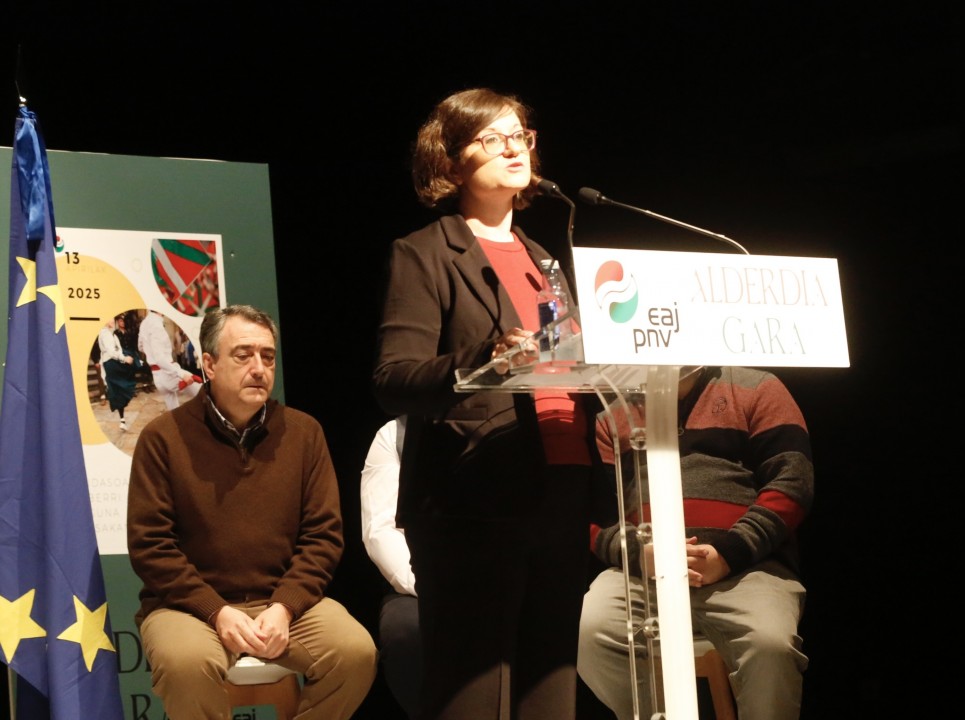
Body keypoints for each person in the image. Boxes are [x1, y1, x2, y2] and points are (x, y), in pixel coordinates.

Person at [372, 87, 606, 720]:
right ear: (450, 163)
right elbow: (394, 377)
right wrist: (486, 358)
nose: (513, 148)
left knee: (549, 697)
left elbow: (568, 362)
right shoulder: (424, 253)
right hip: (474, 499)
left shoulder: (543, 260)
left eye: (520, 135)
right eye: (492, 137)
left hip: (562, 487)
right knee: (472, 699)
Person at [127, 304, 377, 720]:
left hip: (282, 605)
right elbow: (151, 546)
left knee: (355, 652)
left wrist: (285, 606)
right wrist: (215, 610)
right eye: (243, 355)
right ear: (209, 365)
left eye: (267, 356)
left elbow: (323, 537)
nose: (259, 368)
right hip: (189, 609)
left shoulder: (304, 433)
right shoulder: (163, 438)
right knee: (187, 666)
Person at [577, 366, 813, 720]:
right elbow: (595, 513)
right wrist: (639, 555)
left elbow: (793, 482)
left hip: (748, 569)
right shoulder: (613, 408)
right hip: (644, 576)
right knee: (592, 631)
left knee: (769, 645)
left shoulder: (757, 387)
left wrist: (730, 553)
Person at [359, 415, 421, 720]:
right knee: (406, 630)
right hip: (419, 581)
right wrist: (429, 585)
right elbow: (380, 530)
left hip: (504, 573)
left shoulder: (517, 424)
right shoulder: (396, 434)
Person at [137, 308, 201, 410]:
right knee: (202, 393)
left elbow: (140, 347)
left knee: (174, 410)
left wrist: (151, 353)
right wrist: (182, 374)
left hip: (157, 376)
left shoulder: (144, 323)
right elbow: (159, 359)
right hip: (168, 373)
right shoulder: (156, 325)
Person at [97, 317, 139, 431]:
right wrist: (124, 358)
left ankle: (122, 420)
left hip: (114, 362)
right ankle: (121, 417)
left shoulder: (111, 333)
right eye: (109, 319)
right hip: (111, 364)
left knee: (120, 390)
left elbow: (117, 349)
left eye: (112, 319)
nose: (112, 321)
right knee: (122, 388)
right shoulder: (105, 333)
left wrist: (124, 357)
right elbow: (111, 352)